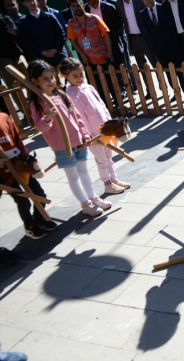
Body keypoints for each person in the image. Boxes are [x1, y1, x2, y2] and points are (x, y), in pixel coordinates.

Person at [28, 60, 110, 216]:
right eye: (45, 78)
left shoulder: (62, 95)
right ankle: (85, 204)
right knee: (73, 176)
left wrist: (85, 134)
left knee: (84, 172)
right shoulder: (37, 102)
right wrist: (47, 118)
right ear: (35, 81)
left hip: (78, 140)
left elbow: (77, 116)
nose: (50, 81)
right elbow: (40, 126)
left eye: (51, 77)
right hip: (62, 145)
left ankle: (93, 197)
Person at [60, 57, 131, 195]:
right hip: (94, 134)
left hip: (106, 130)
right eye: (75, 76)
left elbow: (102, 105)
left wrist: (110, 124)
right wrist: (90, 134)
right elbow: (80, 116)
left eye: (81, 74)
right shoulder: (70, 93)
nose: (80, 78)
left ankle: (114, 179)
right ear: (65, 76)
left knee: (109, 156)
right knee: (101, 159)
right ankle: (107, 184)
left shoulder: (89, 87)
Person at [0, 113, 57, 239]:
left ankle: (39, 219)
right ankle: (30, 226)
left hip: (21, 165)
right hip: (4, 173)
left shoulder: (3, 117)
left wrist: (28, 159)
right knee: (23, 201)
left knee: (39, 194)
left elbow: (17, 140)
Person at [66, 0, 117, 105]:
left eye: (78, 5)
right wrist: (82, 55)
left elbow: (106, 35)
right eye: (73, 6)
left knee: (110, 80)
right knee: (95, 83)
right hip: (88, 59)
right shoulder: (71, 23)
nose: (76, 8)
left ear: (83, 5)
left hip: (103, 55)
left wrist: (110, 52)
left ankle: (118, 102)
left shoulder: (95, 18)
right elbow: (73, 41)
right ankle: (102, 104)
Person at [140, 0, 184, 99]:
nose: (148, 1)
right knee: (168, 72)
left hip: (172, 45)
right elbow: (148, 31)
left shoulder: (164, 7)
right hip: (159, 49)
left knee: (179, 71)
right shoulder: (143, 13)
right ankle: (176, 93)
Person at [84, 0, 133, 96]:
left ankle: (129, 93)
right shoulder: (86, 9)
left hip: (114, 45)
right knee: (107, 73)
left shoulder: (108, 7)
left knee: (121, 70)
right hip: (98, 48)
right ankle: (118, 94)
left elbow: (119, 24)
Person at [18, 0, 68, 86]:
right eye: (28, 1)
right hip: (44, 59)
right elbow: (28, 41)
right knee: (54, 85)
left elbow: (61, 34)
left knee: (71, 79)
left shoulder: (50, 16)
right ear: (24, 3)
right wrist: (41, 52)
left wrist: (56, 49)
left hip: (59, 56)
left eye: (33, 0)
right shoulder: (24, 21)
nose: (32, 3)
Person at [115, 0, 157, 73]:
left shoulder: (139, 1)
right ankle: (146, 81)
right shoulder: (119, 3)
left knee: (155, 63)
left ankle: (161, 80)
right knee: (141, 66)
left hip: (145, 36)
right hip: (133, 39)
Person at [0, 10, 28, 108]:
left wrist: (14, 31)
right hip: (4, 60)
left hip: (17, 56)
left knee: (29, 79)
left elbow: (17, 31)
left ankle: (35, 105)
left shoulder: (5, 18)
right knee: (13, 86)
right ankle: (24, 110)